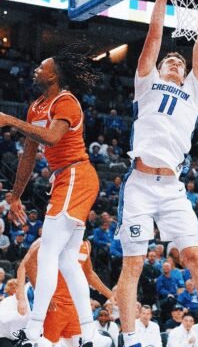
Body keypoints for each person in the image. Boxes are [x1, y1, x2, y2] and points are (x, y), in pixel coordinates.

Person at [114, 0, 198, 347]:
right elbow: (154, 35)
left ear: (185, 74)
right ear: (158, 68)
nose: (175, 62)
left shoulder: (194, 91)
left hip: (172, 189)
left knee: (195, 258)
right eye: (169, 60)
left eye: (179, 62)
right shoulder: (146, 83)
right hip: (139, 185)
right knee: (134, 264)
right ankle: (130, 338)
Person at [0, 45, 101, 346]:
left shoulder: (66, 101)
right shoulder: (36, 107)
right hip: (65, 179)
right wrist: (15, 196)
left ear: (54, 75)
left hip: (76, 174)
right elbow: (29, 156)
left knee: (48, 253)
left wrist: (10, 121)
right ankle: (89, 333)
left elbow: (53, 138)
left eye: (42, 66)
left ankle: (33, 330)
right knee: (67, 259)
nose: (36, 69)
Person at [15, 238, 114, 347]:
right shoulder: (47, 239)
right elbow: (24, 267)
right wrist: (23, 298)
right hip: (54, 304)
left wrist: (111, 295)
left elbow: (89, 273)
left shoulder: (85, 244)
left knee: (81, 343)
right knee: (48, 343)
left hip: (75, 306)